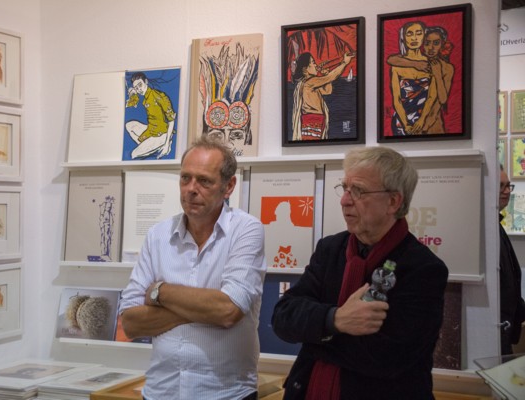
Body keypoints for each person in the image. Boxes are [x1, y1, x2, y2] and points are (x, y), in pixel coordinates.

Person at [271, 146, 448, 400]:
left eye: (358, 191)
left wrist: (314, 334)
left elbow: (386, 358)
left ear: (393, 201)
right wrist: (336, 319)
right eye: (345, 188)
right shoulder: (330, 249)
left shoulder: (423, 268)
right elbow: (283, 317)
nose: (344, 200)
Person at [119, 136, 267, 400]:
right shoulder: (158, 235)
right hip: (161, 392)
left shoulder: (246, 230)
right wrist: (203, 307)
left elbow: (227, 311)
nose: (191, 189)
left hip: (226, 394)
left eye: (204, 181)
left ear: (229, 186)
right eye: (185, 178)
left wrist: (160, 292)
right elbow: (130, 323)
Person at [387, 25, 455, 134]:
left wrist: (423, 123)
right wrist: (416, 64)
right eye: (427, 43)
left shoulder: (444, 67)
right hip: (406, 121)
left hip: (431, 122)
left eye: (436, 43)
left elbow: (440, 99)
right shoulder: (419, 63)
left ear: (443, 44)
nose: (431, 48)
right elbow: (391, 60)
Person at [291, 51, 355, 141]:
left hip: (317, 119)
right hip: (312, 120)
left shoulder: (309, 83)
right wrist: (344, 63)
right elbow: (330, 77)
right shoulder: (310, 82)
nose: (316, 65)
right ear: (305, 69)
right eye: (313, 63)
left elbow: (327, 91)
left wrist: (325, 74)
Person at [389, 21, 438, 136]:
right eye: (409, 34)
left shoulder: (432, 64)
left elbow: (432, 97)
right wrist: (406, 124)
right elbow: (396, 99)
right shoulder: (396, 66)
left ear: (424, 36)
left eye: (418, 33)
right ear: (403, 37)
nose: (414, 38)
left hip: (424, 120)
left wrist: (421, 120)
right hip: (401, 121)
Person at [498, 164, 525, 355]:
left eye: (508, 186)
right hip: (495, 332)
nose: (507, 191)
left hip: (505, 331)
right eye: (501, 186)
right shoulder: (485, 228)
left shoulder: (496, 226)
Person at [125, 72, 177, 159]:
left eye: (140, 85)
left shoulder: (158, 96)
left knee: (133, 154)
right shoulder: (145, 97)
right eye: (136, 88)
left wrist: (167, 144)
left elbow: (171, 120)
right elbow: (131, 103)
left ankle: (157, 145)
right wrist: (132, 93)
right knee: (129, 125)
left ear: (146, 82)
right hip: (151, 129)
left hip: (161, 134)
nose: (139, 89)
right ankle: (148, 146)